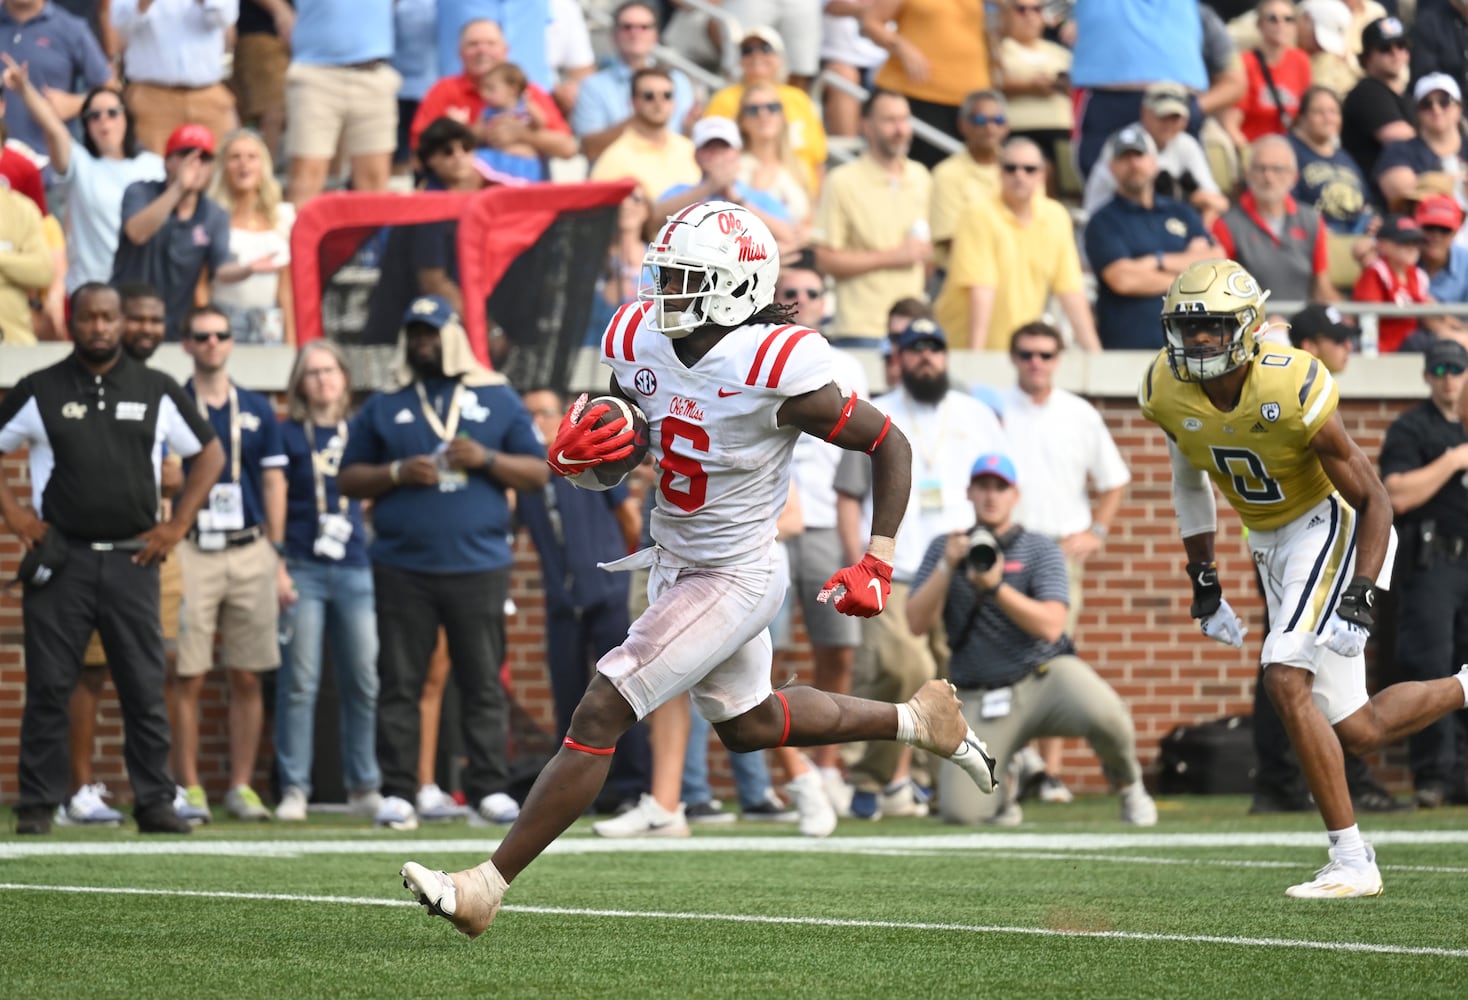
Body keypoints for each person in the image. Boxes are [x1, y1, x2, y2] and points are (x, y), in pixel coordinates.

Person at [398, 200, 999, 939]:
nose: (666, 295)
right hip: (677, 559)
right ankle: (920, 720)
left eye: (685, 280)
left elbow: (891, 444)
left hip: (736, 573)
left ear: (737, 288)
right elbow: (631, 436)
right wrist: (597, 459)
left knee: (602, 705)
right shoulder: (638, 334)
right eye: (666, 276)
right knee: (750, 724)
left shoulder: (776, 365)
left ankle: (487, 884)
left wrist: (878, 556)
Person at [1140, 257, 1468, 897]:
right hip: (1267, 541)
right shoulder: (1165, 387)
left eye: (1213, 327)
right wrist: (1203, 578)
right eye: (1187, 326)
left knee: (1284, 675)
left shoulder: (1290, 384)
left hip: (1329, 524)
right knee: (1359, 729)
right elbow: (1189, 480)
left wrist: (1363, 596)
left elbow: (1375, 497)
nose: (1199, 340)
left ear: (1248, 326)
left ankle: (1352, 860)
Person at [0, 282, 224, 835]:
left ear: (122, 322)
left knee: (144, 687)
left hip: (134, 561)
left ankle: (153, 803)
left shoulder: (156, 387)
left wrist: (177, 525)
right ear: (71, 323)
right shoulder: (40, 388)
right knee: (50, 685)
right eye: (87, 318)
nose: (98, 327)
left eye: (108, 317)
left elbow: (210, 454)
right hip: (63, 562)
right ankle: (36, 807)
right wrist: (17, 517)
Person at [338, 295, 550, 832]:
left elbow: (537, 471)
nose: (421, 341)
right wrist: (393, 474)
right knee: (400, 682)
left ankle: (489, 789)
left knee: (481, 681)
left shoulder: (496, 397)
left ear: (453, 335)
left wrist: (487, 460)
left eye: (431, 331)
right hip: (402, 566)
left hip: (479, 563)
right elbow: (346, 477)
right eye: (414, 332)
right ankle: (400, 791)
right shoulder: (386, 402)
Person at [905, 451, 1157, 827]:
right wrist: (947, 566)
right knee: (962, 813)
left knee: (1108, 713)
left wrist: (996, 588)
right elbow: (915, 623)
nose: (992, 496)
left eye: (1000, 487)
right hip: (978, 691)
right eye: (983, 486)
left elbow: (1053, 626)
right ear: (969, 493)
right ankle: (1005, 786)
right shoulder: (946, 546)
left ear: (1015, 495)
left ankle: (1129, 785)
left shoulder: (1040, 547)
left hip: (1043, 677)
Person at [833, 317, 1007, 820]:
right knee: (900, 669)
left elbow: (1003, 488)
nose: (926, 357)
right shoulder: (875, 413)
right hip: (894, 568)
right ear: (899, 356)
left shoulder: (976, 414)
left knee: (952, 673)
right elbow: (848, 498)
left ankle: (932, 782)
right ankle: (870, 775)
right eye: (915, 349)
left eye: (935, 348)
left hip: (958, 568)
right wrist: (859, 563)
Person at [174, 303, 288, 823]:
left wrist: (276, 554)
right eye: (203, 336)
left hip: (248, 546)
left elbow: (273, 481)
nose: (213, 342)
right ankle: (188, 786)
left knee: (248, 673)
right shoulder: (174, 401)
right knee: (186, 672)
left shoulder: (258, 407)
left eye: (221, 334)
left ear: (231, 342)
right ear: (188, 344)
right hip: (191, 545)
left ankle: (241, 785)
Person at [517, 387, 648, 815]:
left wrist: (622, 571)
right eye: (530, 414)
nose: (537, 422)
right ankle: (574, 794)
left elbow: (627, 515)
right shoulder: (529, 475)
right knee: (568, 695)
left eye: (545, 413)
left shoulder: (589, 459)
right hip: (562, 601)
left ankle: (631, 786)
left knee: (619, 693)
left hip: (605, 593)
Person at [273, 340, 382, 823]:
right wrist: (276, 562)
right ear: (300, 382)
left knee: (363, 678)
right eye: (312, 372)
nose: (322, 379)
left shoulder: (360, 429)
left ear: (344, 376)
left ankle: (364, 786)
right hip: (302, 564)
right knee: (300, 681)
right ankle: (294, 787)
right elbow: (274, 495)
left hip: (355, 564)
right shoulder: (288, 434)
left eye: (329, 370)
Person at [1378, 337, 1468, 808]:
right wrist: (1453, 460)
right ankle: (1435, 777)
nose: (1449, 380)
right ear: (1426, 375)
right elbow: (1396, 494)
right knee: (1432, 666)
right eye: (1440, 370)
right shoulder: (1414, 429)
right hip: (1433, 563)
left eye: (1456, 370)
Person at [3, 62, 164, 291]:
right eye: (93, 116)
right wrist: (24, 88)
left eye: (112, 113)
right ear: (85, 125)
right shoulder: (81, 163)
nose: (104, 121)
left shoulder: (154, 166)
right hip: (88, 288)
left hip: (139, 288)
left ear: (127, 117)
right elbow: (54, 128)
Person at [935, 136, 1098, 352]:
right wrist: (975, 357)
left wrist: (1095, 354)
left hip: (1019, 354)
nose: (1019, 175)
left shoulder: (1056, 217)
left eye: (1029, 169)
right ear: (999, 172)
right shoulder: (977, 214)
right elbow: (981, 289)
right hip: (963, 347)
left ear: (1042, 175)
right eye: (1011, 168)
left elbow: (1071, 291)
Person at [112, 124, 261, 334]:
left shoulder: (214, 214)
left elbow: (221, 267)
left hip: (173, 326)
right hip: (126, 319)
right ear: (166, 163)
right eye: (185, 156)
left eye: (204, 159)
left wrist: (248, 269)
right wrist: (178, 188)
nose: (195, 165)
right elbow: (137, 233)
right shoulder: (140, 191)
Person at [812, 90, 931, 348]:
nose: (900, 129)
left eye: (904, 119)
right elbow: (823, 258)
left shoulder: (921, 176)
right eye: (889, 120)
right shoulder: (842, 180)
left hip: (914, 325)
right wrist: (894, 256)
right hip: (860, 327)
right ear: (866, 126)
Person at [1084, 124, 1216, 351]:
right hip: (1130, 347)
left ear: (1154, 163)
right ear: (1111, 168)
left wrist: (1157, 261)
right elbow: (1123, 279)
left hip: (1191, 348)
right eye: (1124, 158)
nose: (1133, 164)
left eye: (1139, 155)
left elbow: (1216, 260)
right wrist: (1190, 277)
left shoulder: (1181, 212)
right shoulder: (1102, 221)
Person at [283, 0, 399, 204]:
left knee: (375, 181)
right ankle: (301, 236)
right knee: (306, 177)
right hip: (315, 71)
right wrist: (279, 10)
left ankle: (371, 237)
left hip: (373, 72)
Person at [1211, 135, 1337, 306]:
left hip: (1300, 327)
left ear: (1294, 176)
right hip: (1251, 326)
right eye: (1261, 168)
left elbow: (1321, 287)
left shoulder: (1312, 220)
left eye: (1277, 169)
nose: (1268, 177)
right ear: (1248, 174)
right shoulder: (1226, 224)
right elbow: (1218, 291)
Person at [570, 1, 696, 163]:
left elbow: (684, 138)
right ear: (614, 34)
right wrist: (641, 119)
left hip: (669, 177)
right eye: (627, 27)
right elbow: (589, 148)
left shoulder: (678, 81)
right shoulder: (592, 86)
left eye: (644, 27)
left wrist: (692, 128)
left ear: (655, 35)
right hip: (616, 180)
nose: (635, 33)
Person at [111, 0, 238, 155]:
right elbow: (120, 22)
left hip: (207, 94)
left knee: (221, 165)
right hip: (152, 97)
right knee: (151, 169)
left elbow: (225, 16)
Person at [209, 128, 294, 345]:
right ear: (224, 167)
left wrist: (292, 341)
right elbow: (201, 282)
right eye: (235, 157)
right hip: (223, 317)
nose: (243, 164)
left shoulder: (283, 216)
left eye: (251, 157)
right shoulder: (212, 216)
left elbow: (286, 288)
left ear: (262, 166)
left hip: (270, 319)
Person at [1288, 85, 1373, 236]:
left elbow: (1366, 204)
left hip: (1354, 236)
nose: (1328, 118)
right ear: (1302, 117)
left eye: (1333, 112)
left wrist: (1372, 222)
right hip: (1312, 236)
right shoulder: (1287, 150)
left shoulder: (1345, 157)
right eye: (1318, 112)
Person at [1340, 16, 1415, 184]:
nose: (1395, 53)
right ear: (1367, 58)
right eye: (1385, 48)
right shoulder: (1366, 92)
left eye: (1401, 45)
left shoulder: (1408, 97)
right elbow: (1400, 138)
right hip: (1377, 195)